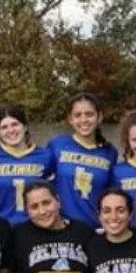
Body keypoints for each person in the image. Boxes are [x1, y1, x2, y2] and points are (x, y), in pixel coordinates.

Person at [47, 93, 117, 230]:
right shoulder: (57, 145)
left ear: (99, 117)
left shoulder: (110, 152)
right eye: (77, 115)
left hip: (94, 228)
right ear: (70, 119)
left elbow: (109, 193)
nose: (84, 120)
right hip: (61, 227)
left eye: (89, 114)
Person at [0, 104, 56, 226]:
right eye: (4, 127)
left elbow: (53, 195)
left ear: (25, 126)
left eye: (15, 124)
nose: (11, 130)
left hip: (35, 227)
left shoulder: (45, 156)